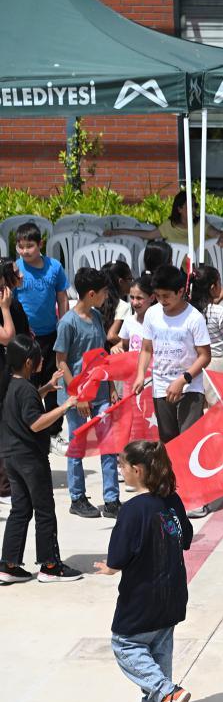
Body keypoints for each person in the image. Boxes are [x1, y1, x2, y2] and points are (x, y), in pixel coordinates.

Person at [92, 440, 193, 702]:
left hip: (142, 596)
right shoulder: (171, 500)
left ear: (137, 470)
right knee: (159, 650)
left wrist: (111, 567)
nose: (121, 470)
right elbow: (185, 537)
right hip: (172, 594)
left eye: (122, 465)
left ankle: (168, 693)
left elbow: (120, 555)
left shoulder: (133, 509)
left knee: (125, 644)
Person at [0, 334, 82, 583]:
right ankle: (50, 565)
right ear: (28, 362)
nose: (41, 360)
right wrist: (65, 406)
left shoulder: (12, 384)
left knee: (20, 509)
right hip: (30, 459)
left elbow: (28, 400)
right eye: (37, 358)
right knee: (44, 510)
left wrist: (47, 386)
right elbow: (36, 423)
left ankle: (8, 564)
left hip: (11, 458)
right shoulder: (25, 389)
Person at [54, 265, 119, 519]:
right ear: (91, 294)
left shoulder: (97, 318)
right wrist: (78, 396)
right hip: (76, 398)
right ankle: (77, 497)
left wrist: (111, 385)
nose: (106, 297)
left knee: (108, 445)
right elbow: (62, 362)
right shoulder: (68, 323)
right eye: (103, 292)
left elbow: (103, 356)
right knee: (77, 448)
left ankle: (111, 499)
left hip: (101, 393)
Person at [133, 265, 211, 446]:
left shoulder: (194, 318)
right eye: (158, 296)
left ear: (181, 291)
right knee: (168, 442)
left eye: (166, 296)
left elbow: (205, 356)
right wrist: (140, 374)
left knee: (188, 442)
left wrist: (183, 380)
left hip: (189, 389)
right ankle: (172, 475)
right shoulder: (152, 314)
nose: (161, 300)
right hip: (160, 386)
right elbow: (146, 349)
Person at [13, 222, 69, 435]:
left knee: (52, 381)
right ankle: (29, 426)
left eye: (29, 246)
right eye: (20, 246)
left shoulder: (54, 267)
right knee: (29, 384)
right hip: (25, 337)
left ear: (40, 244)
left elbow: (62, 297)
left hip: (50, 335)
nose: (24, 251)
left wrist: (62, 327)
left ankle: (54, 431)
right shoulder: (15, 269)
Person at [0, 259, 32, 506]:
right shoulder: (5, 304)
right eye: (14, 273)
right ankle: (4, 485)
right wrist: (5, 308)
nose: (20, 274)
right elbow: (7, 337)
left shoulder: (13, 301)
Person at [105, 189, 223, 248]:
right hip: (174, 273)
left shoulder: (201, 225)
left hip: (196, 272)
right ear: (179, 209)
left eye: (195, 206)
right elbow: (148, 235)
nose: (194, 210)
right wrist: (118, 231)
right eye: (190, 206)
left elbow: (219, 233)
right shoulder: (169, 226)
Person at [189, 265, 223, 379]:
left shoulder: (188, 310)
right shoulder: (221, 312)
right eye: (220, 283)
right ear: (213, 288)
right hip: (216, 364)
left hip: (192, 363)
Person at [120, 274, 155, 352]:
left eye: (139, 298)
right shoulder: (129, 320)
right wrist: (117, 348)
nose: (135, 303)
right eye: (132, 297)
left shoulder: (159, 322)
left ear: (152, 298)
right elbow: (124, 345)